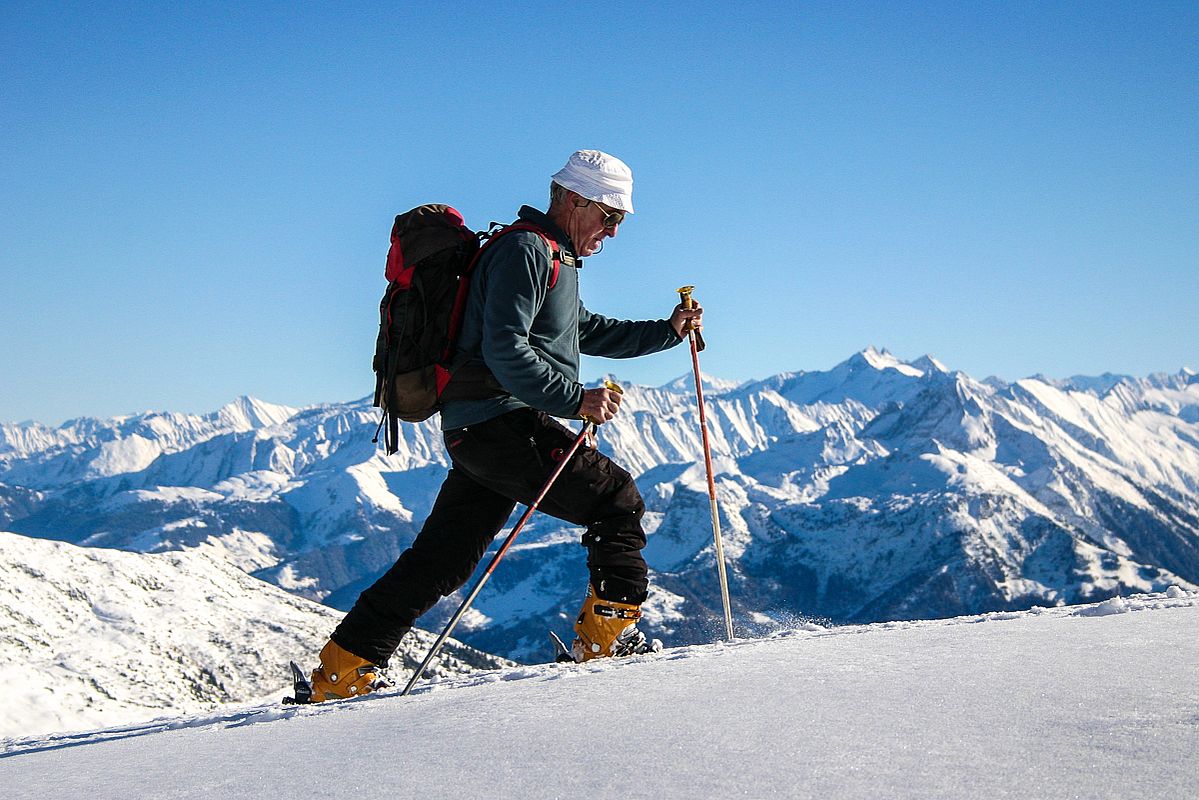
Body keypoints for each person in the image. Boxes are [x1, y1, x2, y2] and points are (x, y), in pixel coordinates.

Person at [307, 149, 703, 701]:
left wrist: (667, 331)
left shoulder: (551, 258)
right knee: (615, 499)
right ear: (574, 199)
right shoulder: (525, 251)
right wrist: (576, 399)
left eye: (620, 221)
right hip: (500, 422)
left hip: (480, 430)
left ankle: (343, 669)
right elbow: (506, 349)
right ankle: (608, 638)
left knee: (441, 559)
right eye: (610, 216)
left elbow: (583, 331)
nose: (614, 232)